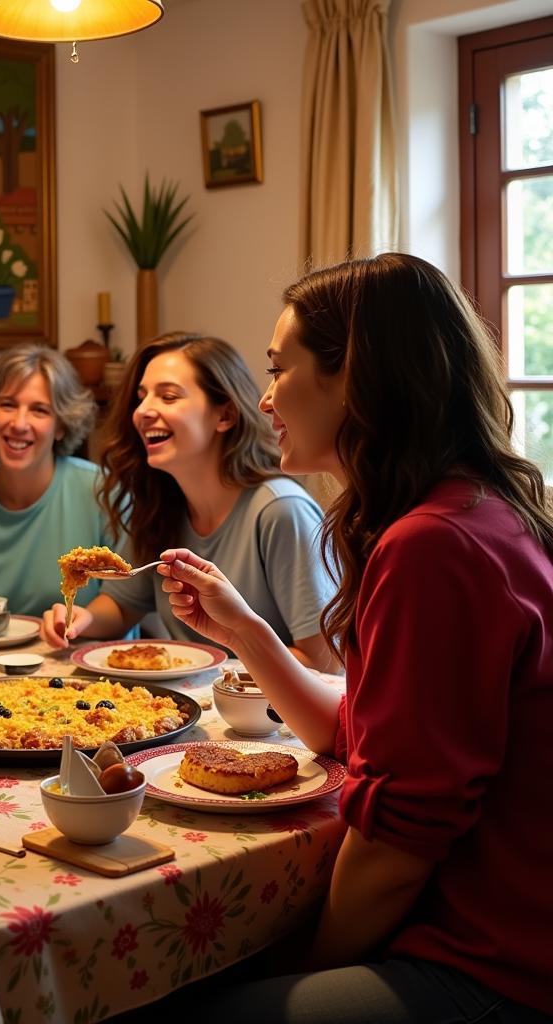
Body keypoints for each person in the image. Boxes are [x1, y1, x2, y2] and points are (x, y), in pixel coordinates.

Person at [159, 254, 553, 1021]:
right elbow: (365, 732)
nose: (267, 397)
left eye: (280, 369)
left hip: (497, 963)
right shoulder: (476, 511)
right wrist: (245, 630)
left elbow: (398, 844)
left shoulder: (434, 547)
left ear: (357, 377)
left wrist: (307, 961)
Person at [41, 333, 338, 671]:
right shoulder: (158, 505)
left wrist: (223, 669)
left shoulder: (281, 511)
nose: (143, 411)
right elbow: (125, 607)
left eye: (168, 396)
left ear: (224, 415)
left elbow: (327, 662)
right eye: (141, 397)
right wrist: (83, 619)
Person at [0, 343, 112, 617]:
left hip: (86, 652)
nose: (19, 423)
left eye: (39, 410)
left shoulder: (102, 491)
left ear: (61, 425)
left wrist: (81, 622)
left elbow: (127, 603)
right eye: (7, 405)